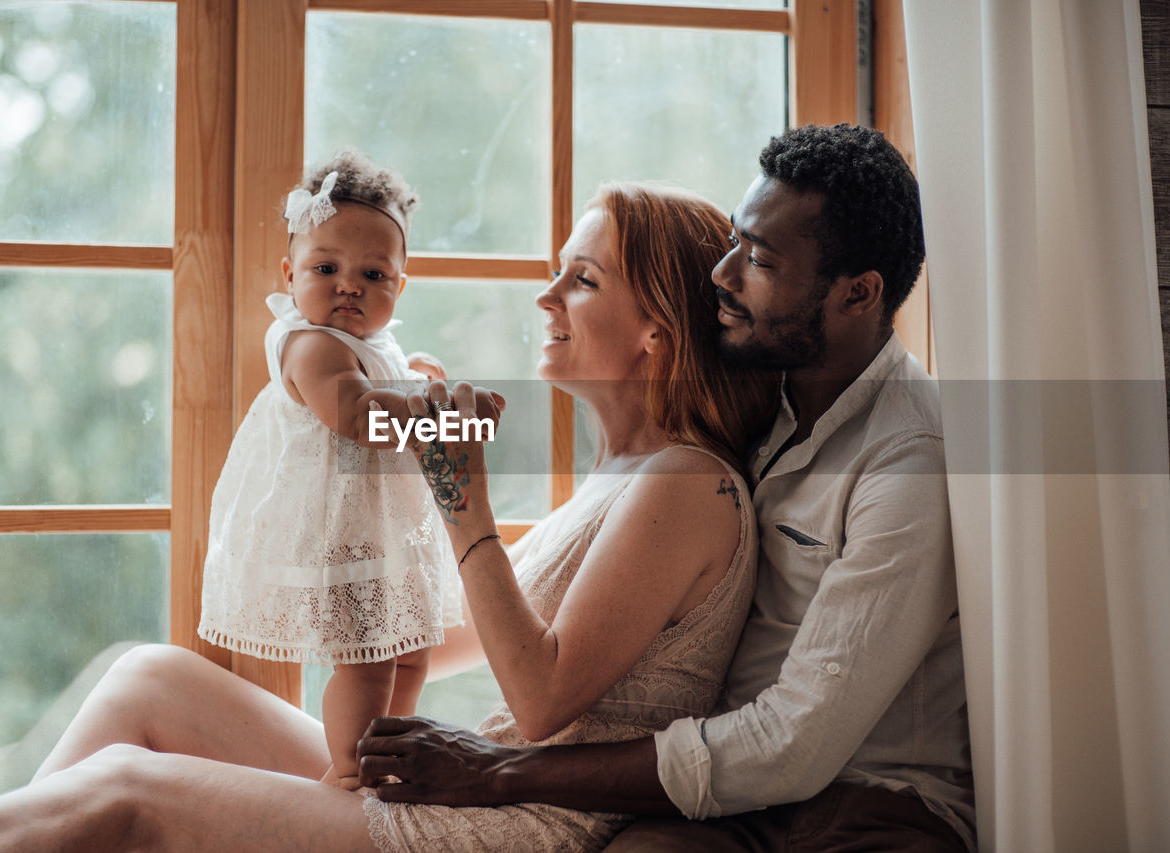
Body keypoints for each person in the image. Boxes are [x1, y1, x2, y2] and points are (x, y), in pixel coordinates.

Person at [0, 182, 779, 852]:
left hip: (517, 820)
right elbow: (457, 632)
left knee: (125, 788)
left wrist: (463, 502)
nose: (545, 296)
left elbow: (540, 700)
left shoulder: (686, 484)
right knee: (148, 678)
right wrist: (336, 582)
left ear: (656, 335)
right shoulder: (618, 474)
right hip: (463, 785)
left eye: (582, 280)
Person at [356, 124, 975, 852]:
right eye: (734, 242)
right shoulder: (756, 411)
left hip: (866, 801)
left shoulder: (907, 458)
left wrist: (505, 771)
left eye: (761, 260)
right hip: (731, 793)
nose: (723, 274)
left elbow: (795, 743)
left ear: (859, 293)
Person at [194, 149, 463, 790]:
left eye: (374, 273)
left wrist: (416, 375)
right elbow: (360, 416)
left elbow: (382, 381)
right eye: (326, 267)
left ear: (401, 285)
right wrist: (441, 417)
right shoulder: (310, 345)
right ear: (289, 275)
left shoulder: (373, 342)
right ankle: (347, 772)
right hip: (336, 536)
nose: (350, 285)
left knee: (410, 654)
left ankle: (390, 757)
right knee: (365, 665)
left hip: (382, 531)